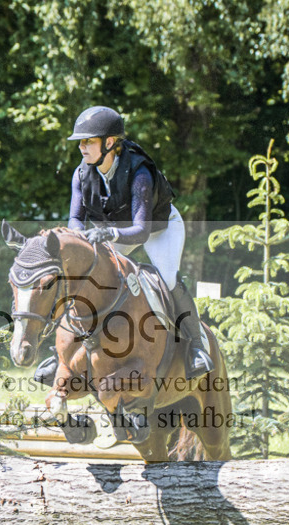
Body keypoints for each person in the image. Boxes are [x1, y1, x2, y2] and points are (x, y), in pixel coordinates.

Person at [33, 105, 214, 386]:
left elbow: (141, 231)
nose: (81, 147)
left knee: (166, 277)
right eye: (80, 141)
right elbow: (75, 219)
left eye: (87, 141)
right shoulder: (81, 174)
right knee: (84, 277)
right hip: (112, 232)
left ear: (109, 143)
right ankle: (61, 354)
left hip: (157, 227)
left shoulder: (139, 172)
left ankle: (197, 347)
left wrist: (107, 234)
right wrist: (80, 240)